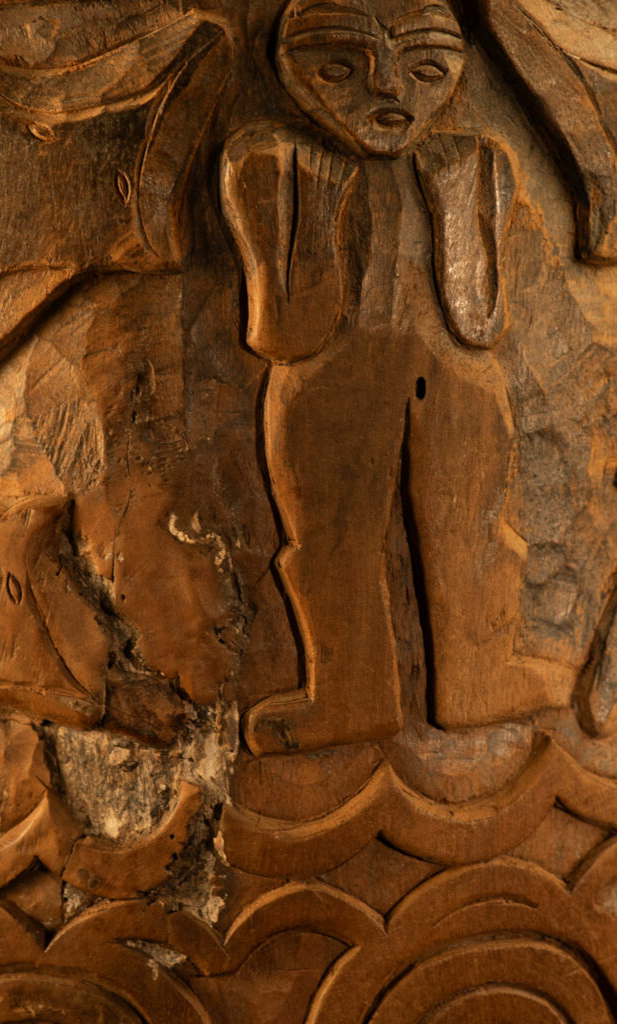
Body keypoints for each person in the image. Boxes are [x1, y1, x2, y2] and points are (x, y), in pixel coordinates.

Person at [221, 0, 575, 755]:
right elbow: (283, 331)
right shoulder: (266, 163)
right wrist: (313, 212)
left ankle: (481, 671)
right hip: (327, 379)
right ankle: (348, 694)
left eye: (422, 69)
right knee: (330, 542)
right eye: (343, 69)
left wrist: (457, 202)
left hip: (454, 374)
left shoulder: (476, 162)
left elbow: (481, 317)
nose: (389, 92)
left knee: (474, 528)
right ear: (291, 69)